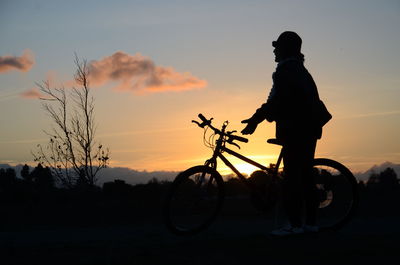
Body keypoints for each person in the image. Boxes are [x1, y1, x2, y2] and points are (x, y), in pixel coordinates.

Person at [241, 31, 323, 236]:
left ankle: (294, 225)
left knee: (292, 178)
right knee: (304, 176)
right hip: (309, 128)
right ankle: (310, 224)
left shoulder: (286, 71)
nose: (274, 51)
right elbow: (279, 100)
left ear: (286, 49)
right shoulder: (299, 70)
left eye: (277, 47)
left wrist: (255, 120)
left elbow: (276, 101)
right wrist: (258, 117)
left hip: (295, 129)